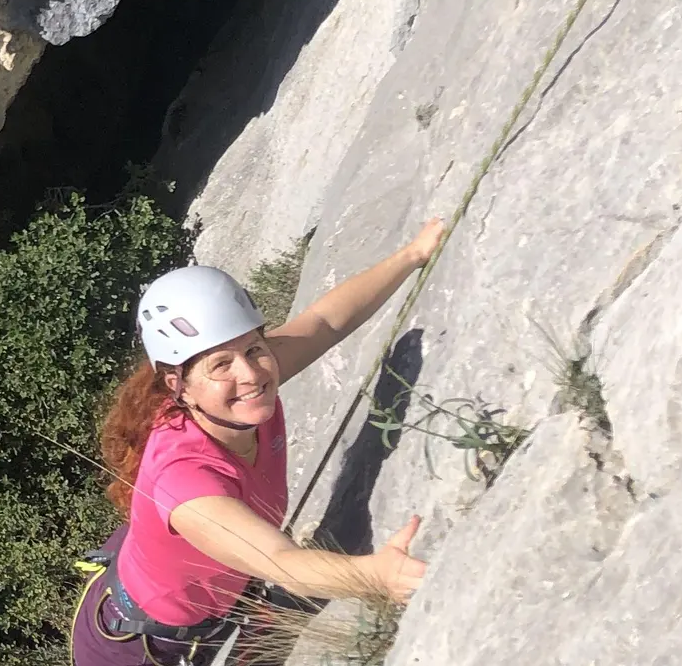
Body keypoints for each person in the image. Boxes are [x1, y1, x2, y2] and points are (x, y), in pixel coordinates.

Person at [70, 220, 447, 666]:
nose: (249, 375)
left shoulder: (242, 391)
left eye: (253, 349)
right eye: (220, 364)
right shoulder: (186, 481)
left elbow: (324, 322)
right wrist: (376, 576)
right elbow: (281, 562)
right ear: (178, 384)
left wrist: (412, 254)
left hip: (202, 598)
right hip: (142, 650)